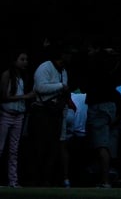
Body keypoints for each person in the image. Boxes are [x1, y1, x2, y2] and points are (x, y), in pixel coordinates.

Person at [30, 44, 73, 187]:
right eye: (68, 54)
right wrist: (61, 86)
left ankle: (46, 179)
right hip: (42, 111)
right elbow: (40, 87)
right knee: (40, 146)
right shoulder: (45, 67)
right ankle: (36, 178)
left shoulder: (63, 70)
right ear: (61, 55)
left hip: (56, 112)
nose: (70, 57)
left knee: (53, 148)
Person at [83, 47, 121, 188]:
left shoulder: (96, 69)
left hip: (99, 107)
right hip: (108, 107)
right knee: (102, 143)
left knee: (101, 145)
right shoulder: (109, 69)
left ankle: (105, 180)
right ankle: (103, 178)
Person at [0, 50, 35, 188]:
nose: (25, 62)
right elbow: (3, 97)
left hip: (18, 116)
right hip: (6, 114)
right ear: (15, 61)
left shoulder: (23, 77)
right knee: (1, 147)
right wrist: (25, 97)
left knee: (14, 150)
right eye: (22, 59)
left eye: (26, 59)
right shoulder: (7, 75)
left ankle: (13, 181)